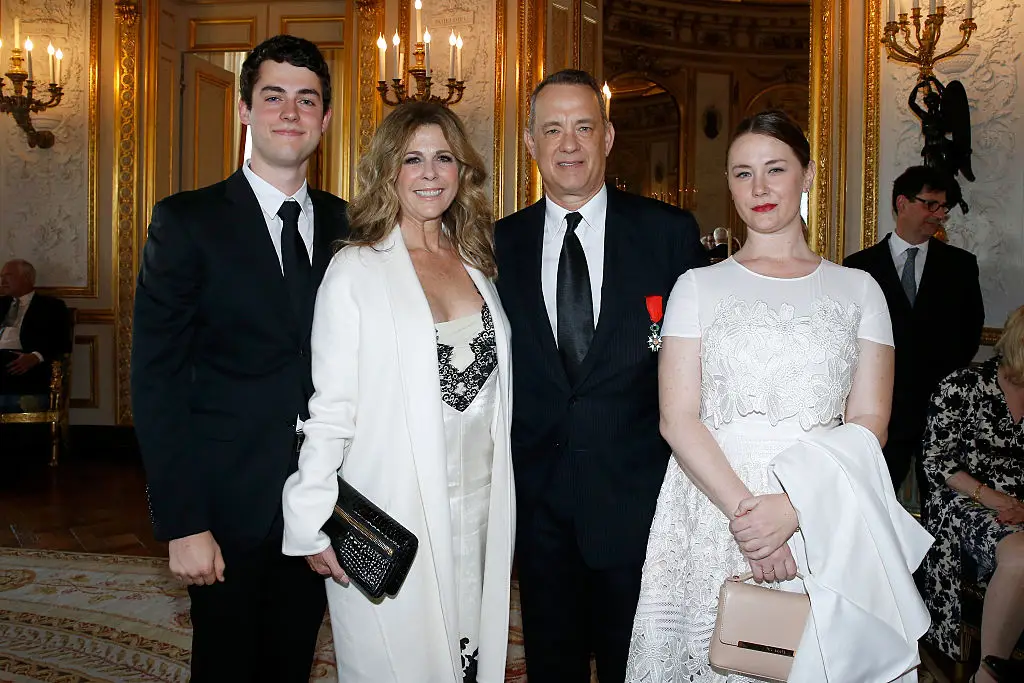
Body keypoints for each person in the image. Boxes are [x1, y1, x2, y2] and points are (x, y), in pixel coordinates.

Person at [626, 110, 932, 682]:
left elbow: (870, 422)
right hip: (713, 504)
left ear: (808, 175)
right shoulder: (697, 285)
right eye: (742, 174)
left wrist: (794, 508)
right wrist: (749, 519)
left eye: (775, 169)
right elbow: (677, 417)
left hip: (826, 509)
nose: (759, 188)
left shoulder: (860, 290)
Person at [131, 35, 348, 681]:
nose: (290, 112)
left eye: (306, 99)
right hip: (224, 508)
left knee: (291, 664)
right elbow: (157, 380)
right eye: (273, 96)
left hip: (318, 503)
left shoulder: (352, 227)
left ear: (325, 119)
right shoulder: (186, 221)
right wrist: (183, 521)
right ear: (245, 110)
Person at [281, 101, 514, 683]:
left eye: (443, 158)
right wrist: (311, 515)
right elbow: (330, 406)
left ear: (463, 172)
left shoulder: (476, 263)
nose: (430, 173)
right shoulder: (356, 269)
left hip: (480, 510)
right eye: (413, 159)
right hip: (393, 511)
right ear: (389, 171)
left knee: (468, 659)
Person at [494, 69, 707, 683]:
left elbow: (699, 370)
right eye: (552, 129)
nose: (569, 143)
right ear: (530, 143)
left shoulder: (669, 234)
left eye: (583, 127)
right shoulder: (495, 243)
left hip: (638, 505)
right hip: (537, 513)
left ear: (608, 137)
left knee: (635, 669)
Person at [844, 165, 984, 493]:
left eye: (943, 208)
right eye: (930, 204)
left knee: (942, 508)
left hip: (938, 412)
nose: (939, 214)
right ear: (902, 203)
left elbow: (969, 333)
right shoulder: (857, 267)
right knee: (873, 500)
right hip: (878, 409)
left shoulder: (960, 266)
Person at [921, 306, 1024, 683]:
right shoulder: (962, 385)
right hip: (963, 500)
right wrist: (993, 498)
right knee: (1021, 555)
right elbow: (936, 462)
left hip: (1019, 508)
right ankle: (989, 672)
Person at [0, 259, 71, 410]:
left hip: (26, 365)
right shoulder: (1, 305)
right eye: (1, 276)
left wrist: (35, 356)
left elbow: (62, 341)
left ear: (26, 278)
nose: (2, 280)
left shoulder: (51, 307)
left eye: (9, 275)